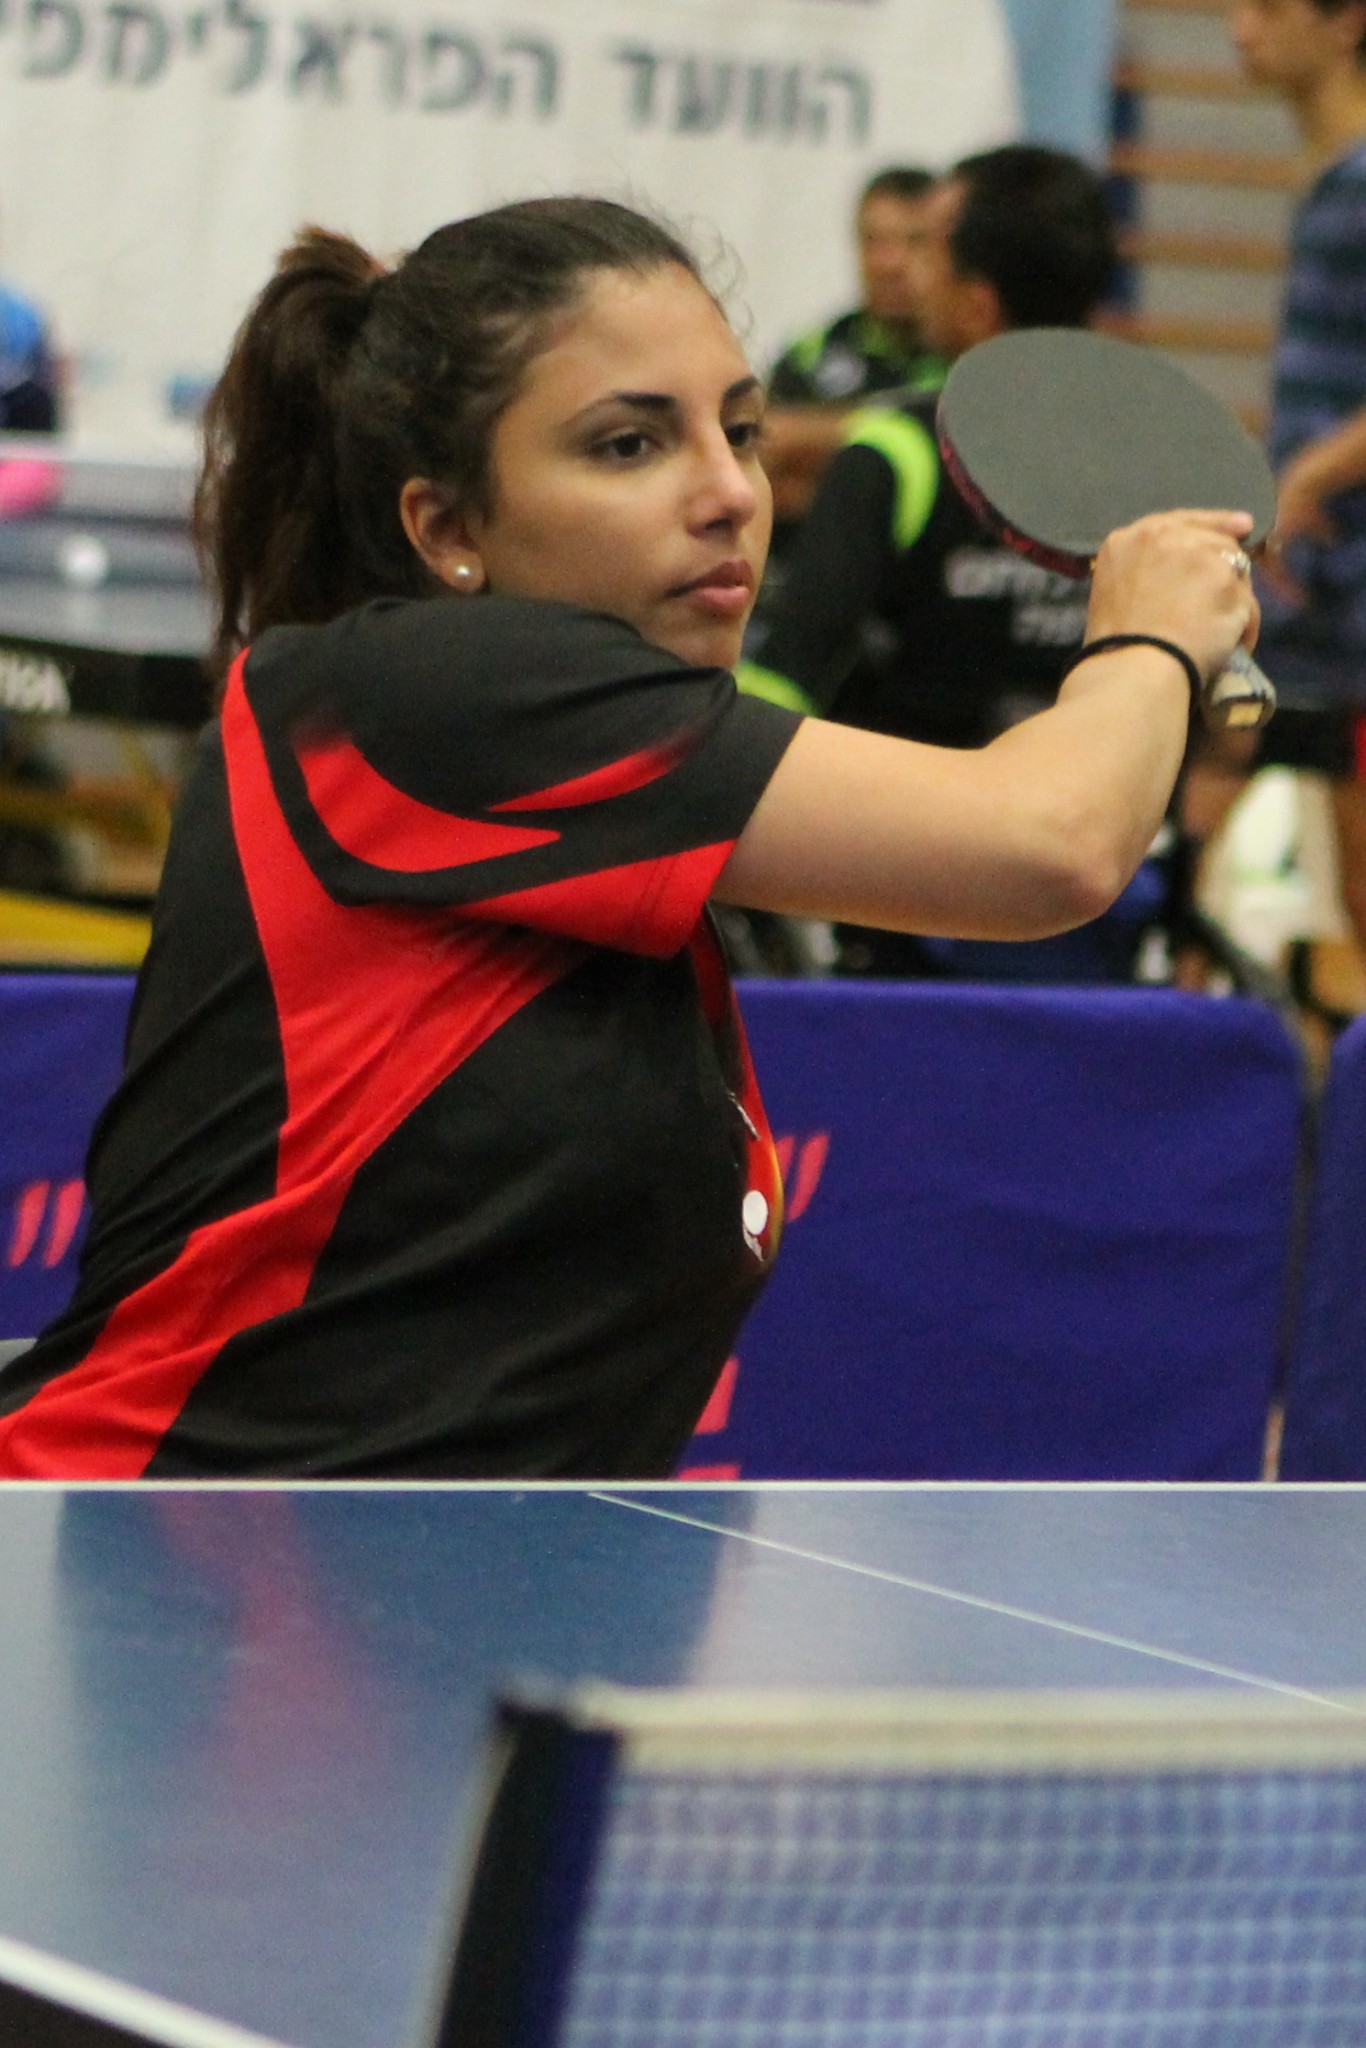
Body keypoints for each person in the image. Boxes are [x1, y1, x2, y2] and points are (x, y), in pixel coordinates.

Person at [0, 196, 1258, 1481]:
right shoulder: (444, 692)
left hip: (397, 1571)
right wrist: (1149, 637)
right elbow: (1049, 843)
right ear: (447, 530)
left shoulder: (581, 795)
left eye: (742, 430)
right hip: (156, 1542)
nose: (728, 493)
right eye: (627, 444)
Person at [741, 145, 1155, 979]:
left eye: (928, 246)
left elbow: (782, 687)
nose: (908, 269)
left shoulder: (897, 450)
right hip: (1110, 924)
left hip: (909, 926)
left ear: (976, 302)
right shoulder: (1159, 457)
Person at [1207, 0, 1366, 997]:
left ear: (1346, 22)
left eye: (1268, 7)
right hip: (1314, 570)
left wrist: (1306, 475)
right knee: (1203, 788)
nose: (1239, 27)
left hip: (1350, 572)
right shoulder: (1329, 175)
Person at [760, 166, 941, 537]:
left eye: (913, 241)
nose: (890, 263)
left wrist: (814, 441)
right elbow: (767, 455)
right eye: (874, 241)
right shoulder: (813, 351)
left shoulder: (964, 353)